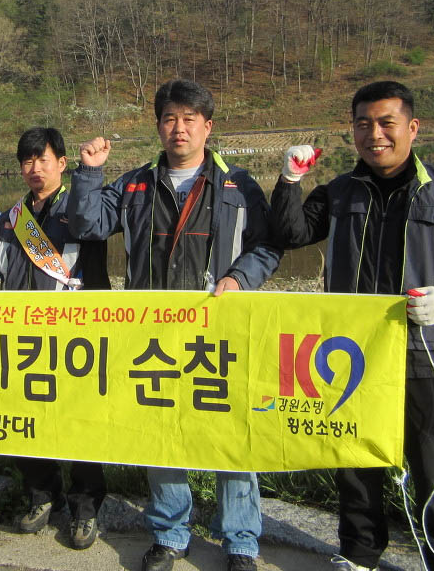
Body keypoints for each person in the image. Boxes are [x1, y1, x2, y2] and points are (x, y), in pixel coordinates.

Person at [269, 80, 434, 571]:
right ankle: (359, 553)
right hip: (352, 350)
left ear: (412, 127)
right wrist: (290, 182)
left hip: (427, 351)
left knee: (433, 464)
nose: (374, 134)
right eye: (363, 124)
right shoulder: (340, 191)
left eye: (386, 123)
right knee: (354, 457)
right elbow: (291, 233)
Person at [67, 80, 281, 571]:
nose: (178, 128)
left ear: (208, 126)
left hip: (219, 333)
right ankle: (170, 533)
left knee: (230, 435)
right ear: (159, 127)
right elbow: (87, 225)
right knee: (161, 434)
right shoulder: (135, 184)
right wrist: (89, 173)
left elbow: (268, 246)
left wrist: (239, 278)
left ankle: (241, 542)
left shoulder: (238, 185)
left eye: (189, 119)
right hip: (154, 336)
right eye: (169, 119)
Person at [0, 126, 110, 550]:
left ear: (62, 163)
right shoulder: (12, 218)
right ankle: (43, 494)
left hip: (72, 337)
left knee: (78, 422)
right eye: (27, 161)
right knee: (28, 420)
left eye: (43, 159)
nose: (35, 168)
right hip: (23, 339)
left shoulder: (80, 210)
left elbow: (97, 273)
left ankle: (85, 506)